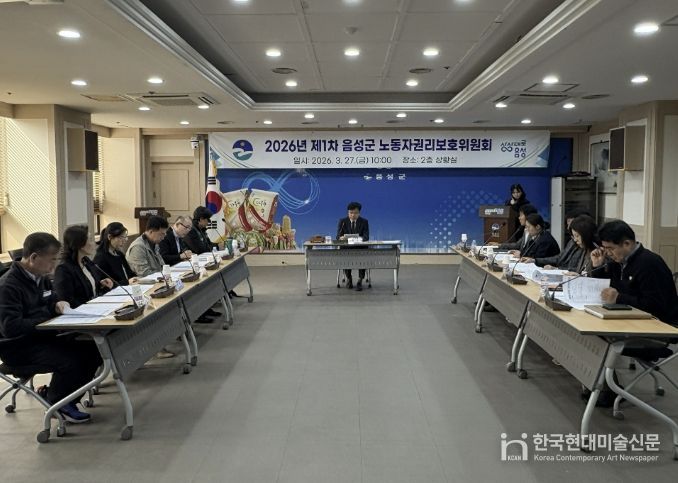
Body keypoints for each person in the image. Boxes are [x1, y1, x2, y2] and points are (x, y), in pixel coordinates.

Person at [0, 232, 101, 423]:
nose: (54, 266)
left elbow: (51, 301)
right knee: (70, 360)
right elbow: (10, 327)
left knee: (93, 350)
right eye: (51, 260)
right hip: (18, 347)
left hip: (43, 337)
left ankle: (65, 399)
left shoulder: (42, 277)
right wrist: (47, 317)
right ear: (34, 257)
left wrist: (58, 305)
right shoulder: (8, 286)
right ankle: (57, 403)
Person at [591, 220, 678, 324]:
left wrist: (619, 298)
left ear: (627, 244)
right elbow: (607, 290)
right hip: (627, 318)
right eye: (604, 248)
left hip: (659, 324)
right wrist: (598, 267)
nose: (608, 253)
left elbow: (655, 305)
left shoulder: (649, 263)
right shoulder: (618, 261)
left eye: (610, 248)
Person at [126, 216, 176, 356]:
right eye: (161, 234)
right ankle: (156, 347)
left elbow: (161, 265)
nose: (164, 237)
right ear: (151, 231)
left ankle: (172, 334)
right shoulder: (138, 248)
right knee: (159, 313)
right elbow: (144, 275)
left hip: (156, 285)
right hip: (143, 290)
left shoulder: (154, 244)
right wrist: (163, 278)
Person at [54, 225, 114, 308]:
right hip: (82, 312)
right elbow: (67, 300)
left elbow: (90, 290)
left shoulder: (86, 261)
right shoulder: (64, 269)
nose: (94, 243)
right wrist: (91, 306)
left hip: (95, 308)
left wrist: (101, 285)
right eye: (90, 240)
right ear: (80, 244)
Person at [523, 210, 592, 272]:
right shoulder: (571, 241)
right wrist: (535, 260)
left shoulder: (586, 246)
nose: (568, 228)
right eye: (568, 225)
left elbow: (578, 269)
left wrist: (557, 269)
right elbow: (560, 257)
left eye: (571, 224)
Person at [336, 201, 369, 291]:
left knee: (363, 257)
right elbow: (337, 236)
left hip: (360, 248)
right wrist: (341, 237)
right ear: (348, 212)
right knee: (345, 257)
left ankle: (360, 280)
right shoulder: (343, 221)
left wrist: (357, 239)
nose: (353, 215)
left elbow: (366, 237)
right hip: (347, 248)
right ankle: (349, 278)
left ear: (359, 213)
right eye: (351, 213)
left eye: (355, 213)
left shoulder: (364, 222)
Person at [93, 222, 138, 286]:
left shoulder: (119, 254)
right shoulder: (100, 258)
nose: (124, 240)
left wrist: (136, 278)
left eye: (125, 237)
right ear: (109, 237)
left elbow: (130, 273)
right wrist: (127, 282)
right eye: (121, 237)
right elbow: (105, 285)